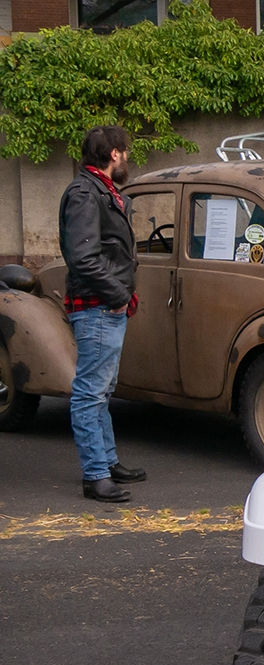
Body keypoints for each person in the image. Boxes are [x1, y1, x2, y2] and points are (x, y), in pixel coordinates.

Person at [58, 124, 145, 503]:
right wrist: (118, 295)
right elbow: (82, 256)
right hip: (97, 306)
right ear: (114, 154)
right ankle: (95, 476)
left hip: (106, 305)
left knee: (103, 390)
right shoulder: (84, 193)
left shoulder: (101, 190)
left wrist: (122, 295)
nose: (127, 157)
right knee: (90, 393)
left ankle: (107, 462)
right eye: (125, 151)